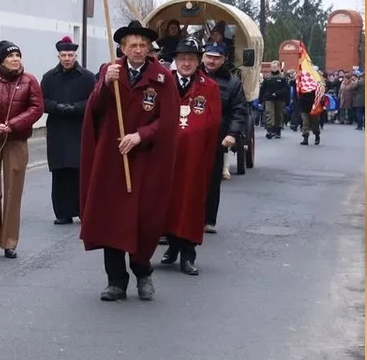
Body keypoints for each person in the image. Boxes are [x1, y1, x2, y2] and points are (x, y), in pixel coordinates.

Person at [79, 20, 178, 301]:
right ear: (122, 47)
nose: (137, 49)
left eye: (142, 45)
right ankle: (116, 281)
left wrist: (140, 135)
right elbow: (95, 110)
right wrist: (104, 86)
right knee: (111, 219)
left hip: (145, 160)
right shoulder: (109, 71)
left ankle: (143, 272)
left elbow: (168, 121)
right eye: (132, 45)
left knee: (143, 219)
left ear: (149, 48)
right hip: (112, 160)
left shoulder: (161, 78)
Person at [0, 41, 44, 258]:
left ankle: (9, 241)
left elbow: (37, 107)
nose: (15, 59)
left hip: (16, 139)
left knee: (13, 192)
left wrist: (14, 123)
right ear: (2, 59)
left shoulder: (29, 80)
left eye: (17, 55)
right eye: (11, 56)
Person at [159, 38, 222, 275]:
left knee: (191, 205)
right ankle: (172, 247)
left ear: (198, 62)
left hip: (195, 160)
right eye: (182, 58)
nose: (186, 63)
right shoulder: (165, 83)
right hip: (168, 157)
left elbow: (213, 122)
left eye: (191, 59)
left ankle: (188, 254)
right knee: (169, 204)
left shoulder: (209, 87)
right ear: (175, 61)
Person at [40, 36, 95, 225]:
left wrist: (77, 107)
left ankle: (82, 210)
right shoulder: (49, 77)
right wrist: (57, 107)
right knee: (60, 172)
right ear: (58, 56)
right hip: (57, 129)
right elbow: (41, 101)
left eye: (70, 55)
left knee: (79, 171)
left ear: (75, 55)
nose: (67, 58)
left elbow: (94, 100)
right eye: (63, 55)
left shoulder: (87, 77)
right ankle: (62, 212)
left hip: (80, 129)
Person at [201, 42, 248, 232]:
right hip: (190, 137)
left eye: (216, 57)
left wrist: (232, 134)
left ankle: (208, 220)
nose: (212, 61)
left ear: (224, 59)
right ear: (203, 57)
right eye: (209, 56)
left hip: (216, 138)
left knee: (212, 180)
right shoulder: (193, 77)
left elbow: (239, 111)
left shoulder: (232, 83)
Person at [294, 65, 326, 145]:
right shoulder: (302, 82)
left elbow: (321, 91)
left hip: (314, 105)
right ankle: (305, 138)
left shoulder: (317, 83)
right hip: (304, 105)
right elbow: (295, 86)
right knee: (305, 122)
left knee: (315, 122)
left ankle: (317, 136)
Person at [260, 61, 289, 139]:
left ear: (278, 67)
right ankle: (270, 130)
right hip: (269, 98)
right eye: (272, 67)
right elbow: (262, 89)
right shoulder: (267, 77)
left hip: (280, 99)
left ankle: (278, 130)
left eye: (275, 67)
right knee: (269, 114)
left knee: (279, 115)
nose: (274, 68)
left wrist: (277, 93)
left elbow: (286, 89)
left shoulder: (282, 77)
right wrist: (260, 100)